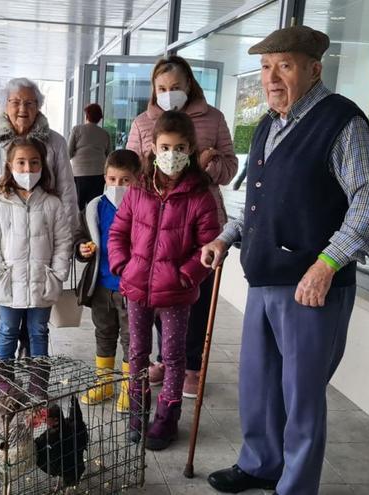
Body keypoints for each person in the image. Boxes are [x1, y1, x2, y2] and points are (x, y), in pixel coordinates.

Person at [200, 26, 369, 495]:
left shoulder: (341, 122)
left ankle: (295, 486)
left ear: (313, 68)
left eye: (284, 65)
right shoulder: (268, 123)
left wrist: (328, 264)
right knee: (260, 385)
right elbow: (258, 204)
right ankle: (261, 464)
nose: (272, 77)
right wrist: (225, 238)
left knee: (301, 396)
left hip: (311, 286)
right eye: (266, 67)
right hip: (265, 279)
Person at [126, 55, 239, 400]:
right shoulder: (144, 122)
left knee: (196, 293)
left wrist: (210, 162)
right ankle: (165, 359)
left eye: (175, 87)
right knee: (160, 289)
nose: (169, 93)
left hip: (200, 216)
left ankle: (192, 365)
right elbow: (131, 168)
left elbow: (231, 168)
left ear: (189, 84)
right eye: (162, 88)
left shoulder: (213, 118)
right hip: (157, 220)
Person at [109, 111, 221, 451]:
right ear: (153, 149)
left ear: (190, 149)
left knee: (173, 356)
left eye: (180, 147)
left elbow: (208, 246)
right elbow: (119, 231)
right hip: (137, 286)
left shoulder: (200, 196)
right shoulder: (139, 190)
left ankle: (167, 418)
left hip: (176, 292)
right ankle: (137, 414)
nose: (172, 154)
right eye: (165, 146)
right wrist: (122, 266)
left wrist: (187, 276)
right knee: (137, 352)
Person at [0, 77, 78, 358]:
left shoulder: (55, 143)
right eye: (15, 102)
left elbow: (67, 192)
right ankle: (7, 379)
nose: (22, 109)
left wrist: (64, 240)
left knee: (36, 327)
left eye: (29, 102)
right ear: (5, 105)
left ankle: (32, 377)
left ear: (38, 106)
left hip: (42, 246)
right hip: (5, 246)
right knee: (0, 324)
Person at [0, 136, 73, 362]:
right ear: (10, 166)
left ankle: (38, 388)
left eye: (34, 162)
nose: (27, 168)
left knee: (39, 332)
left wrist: (58, 273)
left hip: (43, 284)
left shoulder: (52, 204)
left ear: (43, 165)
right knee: (6, 332)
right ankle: (5, 389)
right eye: (21, 162)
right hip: (8, 284)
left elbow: (63, 241)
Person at [74, 149, 141, 412]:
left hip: (130, 289)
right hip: (101, 286)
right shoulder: (94, 207)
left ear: (138, 179)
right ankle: (105, 383)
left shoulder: (142, 207)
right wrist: (82, 249)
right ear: (104, 177)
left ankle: (129, 388)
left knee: (131, 339)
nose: (117, 186)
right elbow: (80, 235)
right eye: (112, 179)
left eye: (125, 180)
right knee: (104, 333)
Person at [68, 103, 113, 210]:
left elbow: (68, 152)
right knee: (93, 205)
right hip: (98, 174)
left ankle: (78, 226)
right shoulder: (105, 133)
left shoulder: (76, 130)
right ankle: (91, 225)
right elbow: (109, 156)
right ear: (99, 118)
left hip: (79, 174)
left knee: (78, 205)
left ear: (86, 116)